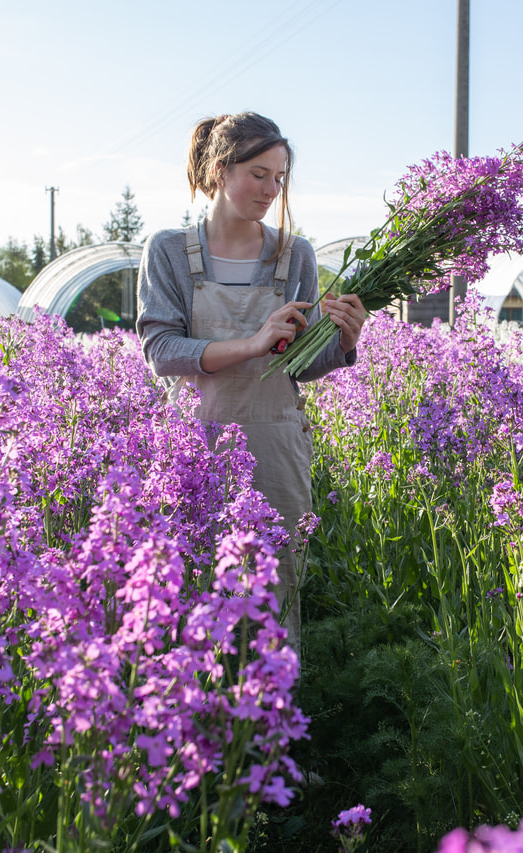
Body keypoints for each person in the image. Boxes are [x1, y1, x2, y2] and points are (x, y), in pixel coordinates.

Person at [135, 112, 366, 648]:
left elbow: (298, 365)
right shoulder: (168, 251)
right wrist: (253, 343)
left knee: (277, 596)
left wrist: (344, 345)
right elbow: (162, 352)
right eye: (258, 174)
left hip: (276, 444)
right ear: (219, 169)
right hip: (195, 444)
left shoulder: (295, 255)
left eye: (279, 178)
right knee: (193, 592)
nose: (270, 190)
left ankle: (272, 723)